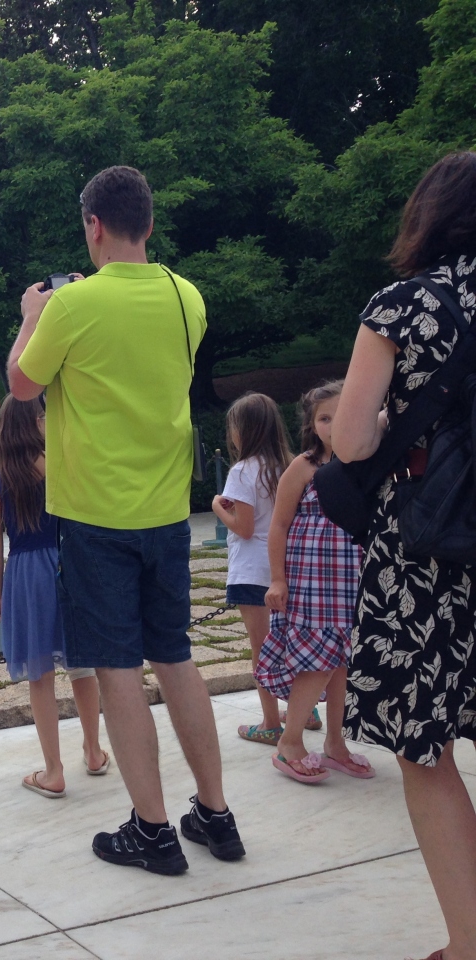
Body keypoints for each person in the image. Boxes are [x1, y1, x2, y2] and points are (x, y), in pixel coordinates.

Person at [7, 165, 244, 875]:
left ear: (94, 226)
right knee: (175, 658)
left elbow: (21, 386)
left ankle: (151, 829)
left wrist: (32, 315)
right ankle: (216, 813)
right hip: (167, 510)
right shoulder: (187, 296)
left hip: (93, 515)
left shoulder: (71, 309)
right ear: (149, 222)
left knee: (116, 669)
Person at [333, 151, 476, 960]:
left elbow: (351, 439)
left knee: (427, 748)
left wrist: (401, 429)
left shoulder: (406, 305)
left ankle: (467, 942)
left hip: (425, 554)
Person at [0, 394, 108, 798]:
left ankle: (53, 770)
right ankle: (93, 750)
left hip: (24, 574)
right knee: (82, 664)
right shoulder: (60, 462)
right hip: (65, 564)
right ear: (36, 422)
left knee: (39, 674)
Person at [260, 382, 372, 783]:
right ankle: (290, 742)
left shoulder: (365, 463)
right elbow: (279, 525)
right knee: (319, 662)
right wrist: (277, 579)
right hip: (312, 583)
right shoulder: (304, 467)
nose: (333, 425)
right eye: (325, 418)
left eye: (342, 416)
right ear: (312, 424)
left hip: (352, 580)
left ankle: (335, 743)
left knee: (342, 664)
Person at [212, 392, 296, 747]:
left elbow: (243, 528)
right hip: (287, 566)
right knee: (293, 642)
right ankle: (305, 709)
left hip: (251, 571)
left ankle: (270, 721)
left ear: (243, 431)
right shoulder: (290, 464)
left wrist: (218, 506)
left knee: (260, 647)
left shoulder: (242, 470)